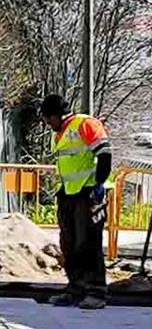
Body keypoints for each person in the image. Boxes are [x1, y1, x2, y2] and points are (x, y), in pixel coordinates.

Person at [40, 95, 113, 309]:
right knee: (69, 244)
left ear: (57, 115)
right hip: (69, 194)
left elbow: (105, 154)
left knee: (88, 243)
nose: (47, 123)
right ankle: (75, 289)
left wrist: (99, 184)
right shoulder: (60, 133)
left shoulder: (85, 124)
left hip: (88, 193)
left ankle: (96, 292)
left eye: (48, 118)